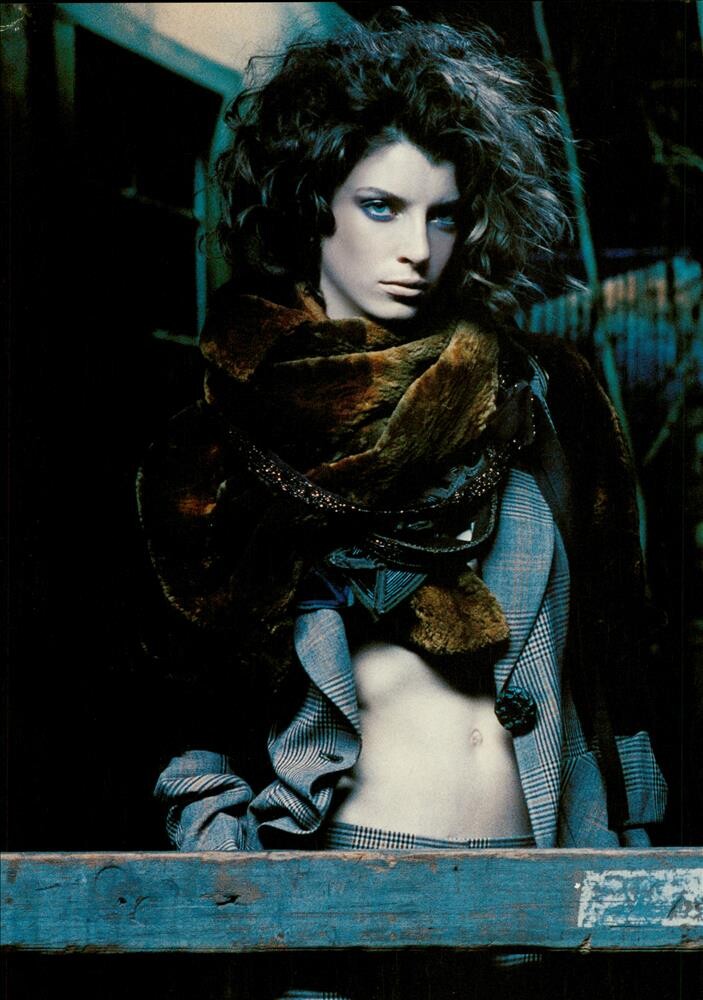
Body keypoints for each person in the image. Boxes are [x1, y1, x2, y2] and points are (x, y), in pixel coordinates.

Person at [137, 13, 667, 999]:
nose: (417, 249)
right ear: (313, 208)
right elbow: (186, 693)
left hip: (543, 888)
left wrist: (632, 839)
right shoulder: (232, 433)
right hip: (331, 906)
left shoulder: (546, 396)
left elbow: (617, 645)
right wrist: (229, 874)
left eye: (444, 216)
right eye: (380, 207)